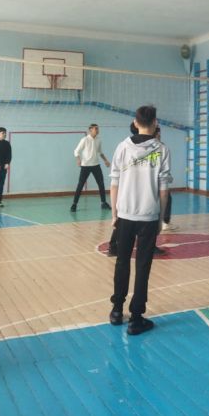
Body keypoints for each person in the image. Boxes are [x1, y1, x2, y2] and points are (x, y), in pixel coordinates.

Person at [108, 106, 171, 335]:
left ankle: (117, 310)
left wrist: (114, 214)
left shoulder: (122, 147)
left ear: (135, 122)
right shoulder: (162, 150)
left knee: (122, 262)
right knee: (143, 265)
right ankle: (136, 318)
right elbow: (164, 190)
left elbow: (114, 182)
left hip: (125, 215)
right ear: (154, 122)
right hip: (148, 216)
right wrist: (161, 218)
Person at [70, 124, 111, 212]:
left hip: (96, 165)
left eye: (98, 129)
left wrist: (106, 160)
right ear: (90, 130)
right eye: (95, 129)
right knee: (80, 185)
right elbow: (76, 151)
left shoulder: (99, 140)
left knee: (101, 184)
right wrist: (78, 159)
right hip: (85, 166)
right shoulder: (84, 140)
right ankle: (74, 204)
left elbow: (100, 152)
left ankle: (103, 203)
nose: (97, 130)